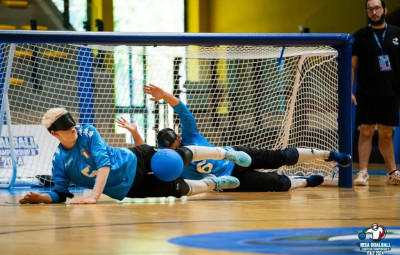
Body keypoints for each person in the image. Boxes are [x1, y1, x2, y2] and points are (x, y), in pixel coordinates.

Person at [137, 84, 352, 192]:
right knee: (277, 184)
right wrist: (135, 133)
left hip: (236, 154)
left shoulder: (191, 135)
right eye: (171, 143)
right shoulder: (174, 163)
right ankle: (305, 182)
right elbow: (148, 156)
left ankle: (329, 154)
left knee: (279, 157)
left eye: (175, 138)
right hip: (229, 180)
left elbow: (183, 112)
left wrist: (164, 95)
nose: (176, 142)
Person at [19, 108, 252, 204]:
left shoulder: (88, 131)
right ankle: (214, 184)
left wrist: (95, 196)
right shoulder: (60, 162)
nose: (72, 128)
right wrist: (41, 198)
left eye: (71, 122)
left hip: (135, 158)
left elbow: (104, 163)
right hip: (128, 188)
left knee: (176, 158)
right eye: (65, 126)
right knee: (177, 189)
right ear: (53, 133)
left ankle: (225, 153)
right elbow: (60, 194)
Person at [352, 0, 400, 186]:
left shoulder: (397, 34)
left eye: (377, 8)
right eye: (370, 9)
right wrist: (350, 90)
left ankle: (391, 172)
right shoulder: (360, 35)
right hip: (366, 92)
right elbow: (353, 65)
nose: (374, 12)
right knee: (366, 130)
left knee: (387, 133)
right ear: (367, 12)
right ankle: (363, 172)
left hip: (391, 92)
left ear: (385, 10)